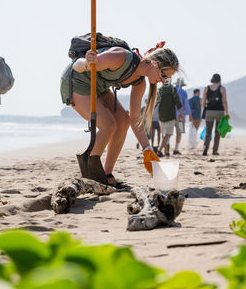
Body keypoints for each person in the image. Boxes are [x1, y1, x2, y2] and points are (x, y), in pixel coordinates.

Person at [61, 43, 178, 186]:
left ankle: (107, 173)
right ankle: (91, 170)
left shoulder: (140, 83)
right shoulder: (121, 57)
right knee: (108, 124)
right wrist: (87, 62)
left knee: (123, 121)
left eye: (167, 78)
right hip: (77, 80)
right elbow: (76, 65)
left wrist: (147, 149)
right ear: (154, 63)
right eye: (163, 75)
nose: (163, 81)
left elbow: (135, 119)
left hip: (99, 85)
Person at [201, 73, 229, 156]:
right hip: (219, 111)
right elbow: (224, 101)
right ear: (219, 80)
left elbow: (203, 101)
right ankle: (215, 150)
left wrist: (204, 109)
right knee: (217, 132)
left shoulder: (206, 88)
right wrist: (227, 112)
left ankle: (205, 149)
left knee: (208, 132)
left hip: (209, 111)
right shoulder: (222, 88)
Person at [156, 76, 182, 157]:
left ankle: (166, 152)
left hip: (161, 115)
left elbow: (156, 102)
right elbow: (178, 102)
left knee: (164, 135)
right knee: (168, 134)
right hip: (170, 115)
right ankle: (159, 151)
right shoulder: (172, 89)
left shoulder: (160, 90)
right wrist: (180, 114)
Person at [173, 77, 192, 155]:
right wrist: (189, 114)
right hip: (180, 116)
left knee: (168, 133)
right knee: (179, 132)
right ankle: (176, 148)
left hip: (170, 115)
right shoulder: (184, 92)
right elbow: (186, 104)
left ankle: (166, 148)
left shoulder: (171, 91)